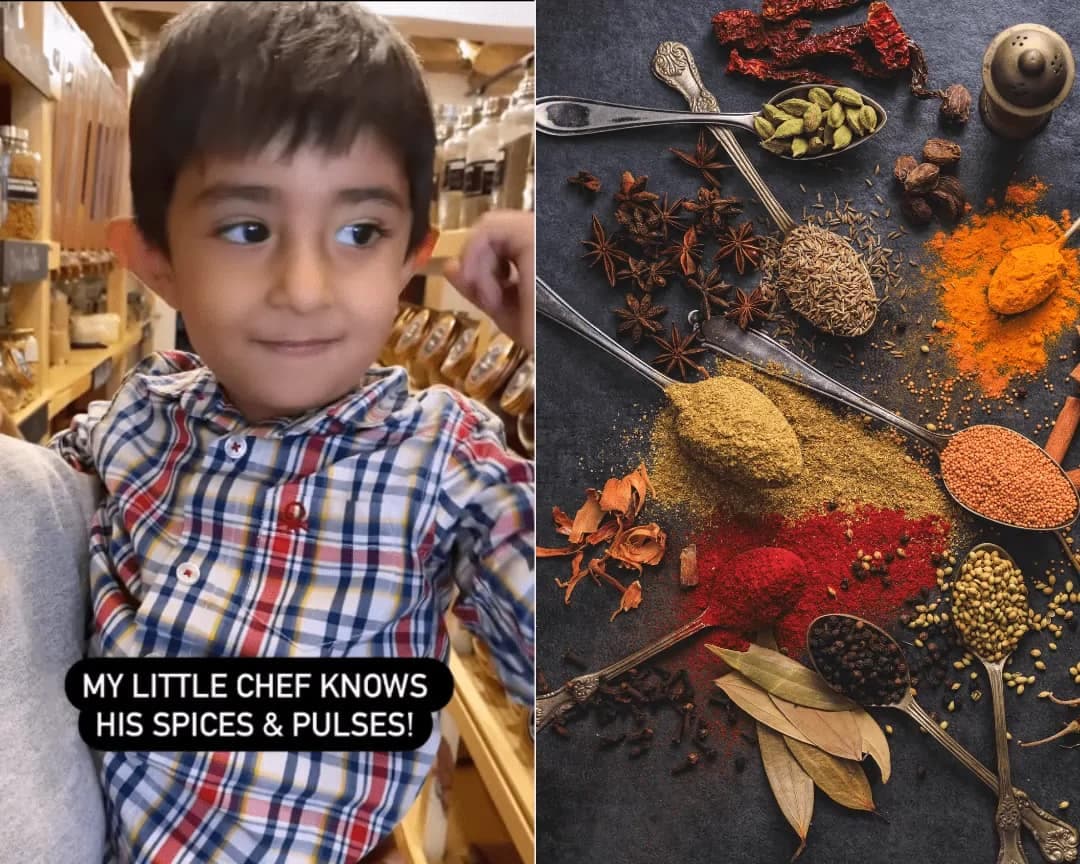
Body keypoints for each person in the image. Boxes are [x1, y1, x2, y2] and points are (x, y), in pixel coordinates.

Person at [3, 3, 535, 862]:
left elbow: (590, 656)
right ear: (156, 263)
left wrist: (580, 342)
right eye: (248, 229)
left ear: (411, 258)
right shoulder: (142, 415)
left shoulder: (447, 460)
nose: (305, 285)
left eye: (359, 232)